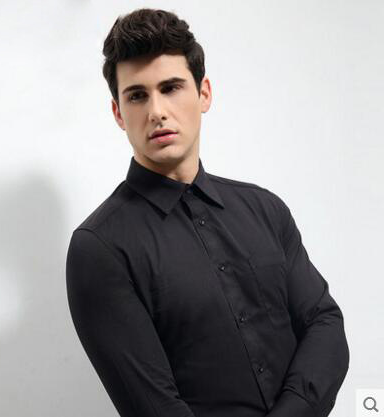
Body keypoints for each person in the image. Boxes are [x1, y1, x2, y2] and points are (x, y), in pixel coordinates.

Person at [65, 8, 349, 417]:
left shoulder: (265, 209)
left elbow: (324, 324)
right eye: (137, 95)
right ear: (118, 113)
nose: (157, 111)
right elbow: (153, 406)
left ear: (204, 94)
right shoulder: (101, 248)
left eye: (171, 87)